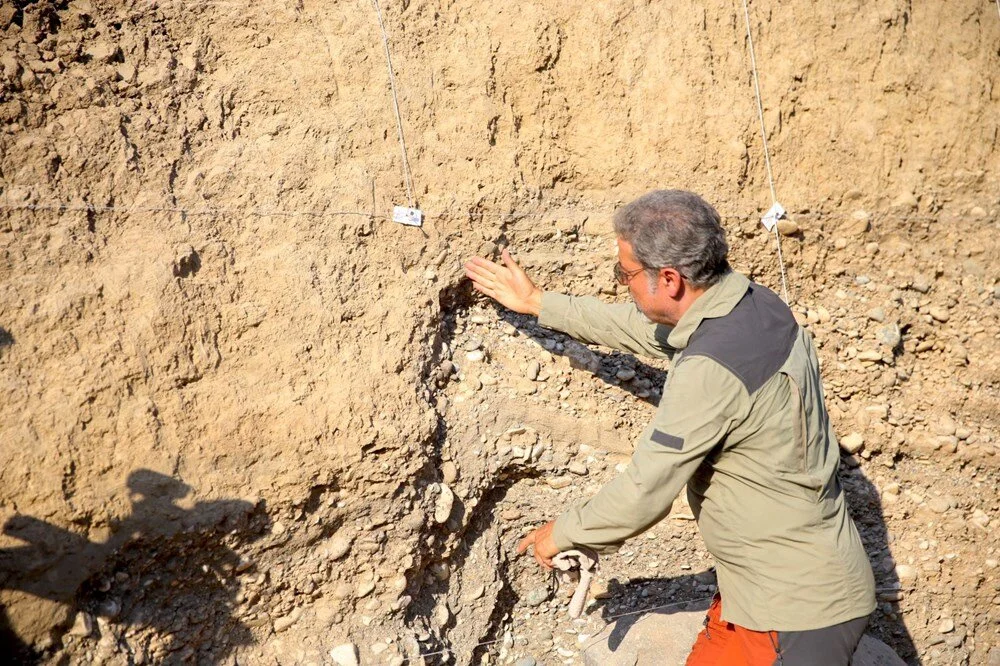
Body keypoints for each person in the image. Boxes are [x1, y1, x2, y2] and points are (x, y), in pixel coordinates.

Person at [463, 190, 876, 665]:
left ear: (671, 279)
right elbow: (646, 328)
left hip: (792, 615)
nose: (623, 285)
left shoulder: (711, 368)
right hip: (775, 589)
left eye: (626, 274)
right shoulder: (753, 305)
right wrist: (539, 303)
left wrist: (564, 533)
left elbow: (647, 489)